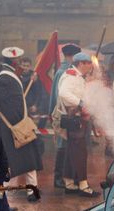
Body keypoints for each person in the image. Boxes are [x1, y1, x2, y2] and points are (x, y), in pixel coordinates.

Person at [0, 47, 43, 202]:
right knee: (11, 161)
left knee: (22, 161)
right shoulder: (5, 78)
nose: (21, 63)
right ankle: (8, 194)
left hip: (16, 126)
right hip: (13, 127)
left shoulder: (8, 75)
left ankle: (28, 190)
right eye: (19, 60)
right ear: (14, 62)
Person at [57, 52, 99, 197]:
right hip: (74, 117)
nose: (90, 66)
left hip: (76, 117)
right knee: (80, 152)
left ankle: (69, 182)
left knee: (71, 151)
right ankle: (83, 185)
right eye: (88, 63)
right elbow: (63, 93)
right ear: (81, 63)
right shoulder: (72, 75)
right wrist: (80, 103)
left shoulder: (76, 76)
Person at [49, 44, 81, 188]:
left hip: (67, 113)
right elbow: (58, 96)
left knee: (67, 146)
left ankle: (65, 176)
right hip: (65, 114)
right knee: (63, 146)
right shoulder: (65, 72)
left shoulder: (67, 71)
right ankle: (58, 177)